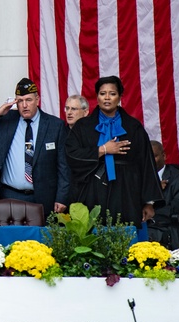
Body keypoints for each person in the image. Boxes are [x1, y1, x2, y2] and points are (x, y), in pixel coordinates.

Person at [0, 77, 71, 219]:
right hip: (10, 194)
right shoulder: (6, 121)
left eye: (28, 100)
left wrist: (62, 197)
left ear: (37, 100)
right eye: (20, 101)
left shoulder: (55, 125)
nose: (24, 105)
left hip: (43, 197)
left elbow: (63, 166)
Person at [66, 75, 163, 225]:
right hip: (92, 190)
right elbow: (71, 156)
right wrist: (103, 150)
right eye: (102, 93)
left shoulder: (133, 127)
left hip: (126, 192)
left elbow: (146, 163)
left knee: (124, 238)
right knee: (91, 238)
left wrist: (149, 202)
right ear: (97, 97)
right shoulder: (83, 126)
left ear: (119, 97)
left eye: (112, 94)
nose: (107, 98)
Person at [146, 140, 179, 248]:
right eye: (146, 157)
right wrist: (153, 189)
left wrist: (152, 211)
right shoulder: (138, 178)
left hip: (168, 232)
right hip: (141, 229)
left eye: (154, 156)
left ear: (163, 156)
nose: (150, 161)